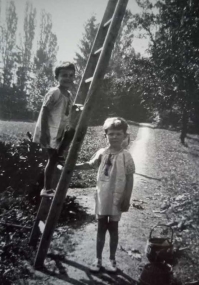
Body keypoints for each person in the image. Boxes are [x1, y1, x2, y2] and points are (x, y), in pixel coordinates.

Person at [75, 117, 135, 273]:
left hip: (118, 197)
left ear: (124, 136)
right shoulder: (102, 153)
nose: (114, 137)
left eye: (118, 134)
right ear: (106, 135)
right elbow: (90, 165)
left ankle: (112, 259)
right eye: (111, 134)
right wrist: (73, 166)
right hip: (102, 196)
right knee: (101, 227)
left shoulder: (126, 156)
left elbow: (129, 178)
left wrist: (126, 199)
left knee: (113, 228)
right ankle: (98, 258)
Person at [33, 61, 79, 197]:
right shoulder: (54, 92)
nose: (68, 78)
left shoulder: (68, 94)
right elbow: (45, 110)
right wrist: (44, 133)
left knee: (71, 132)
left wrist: (75, 107)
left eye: (71, 75)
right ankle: (46, 189)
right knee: (52, 160)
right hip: (49, 131)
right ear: (57, 77)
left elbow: (66, 108)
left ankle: (60, 155)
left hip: (59, 130)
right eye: (64, 75)